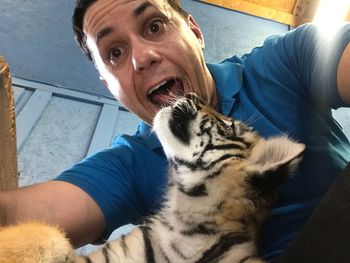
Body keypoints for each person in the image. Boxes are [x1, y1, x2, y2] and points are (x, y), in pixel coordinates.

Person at [0, 0, 349, 261]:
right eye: (115, 52)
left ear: (195, 32)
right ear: (109, 85)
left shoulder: (283, 60)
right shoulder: (129, 162)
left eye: (153, 26)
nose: (142, 57)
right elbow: (15, 219)